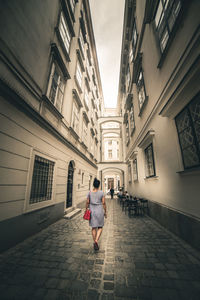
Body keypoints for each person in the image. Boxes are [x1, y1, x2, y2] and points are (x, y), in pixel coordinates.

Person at [85, 178, 107, 251]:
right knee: (100, 227)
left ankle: (94, 241)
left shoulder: (89, 192)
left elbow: (87, 202)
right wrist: (105, 212)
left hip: (92, 211)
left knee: (93, 227)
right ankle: (96, 241)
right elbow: (103, 203)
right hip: (99, 211)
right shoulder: (101, 193)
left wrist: (86, 209)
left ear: (93, 185)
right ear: (99, 185)